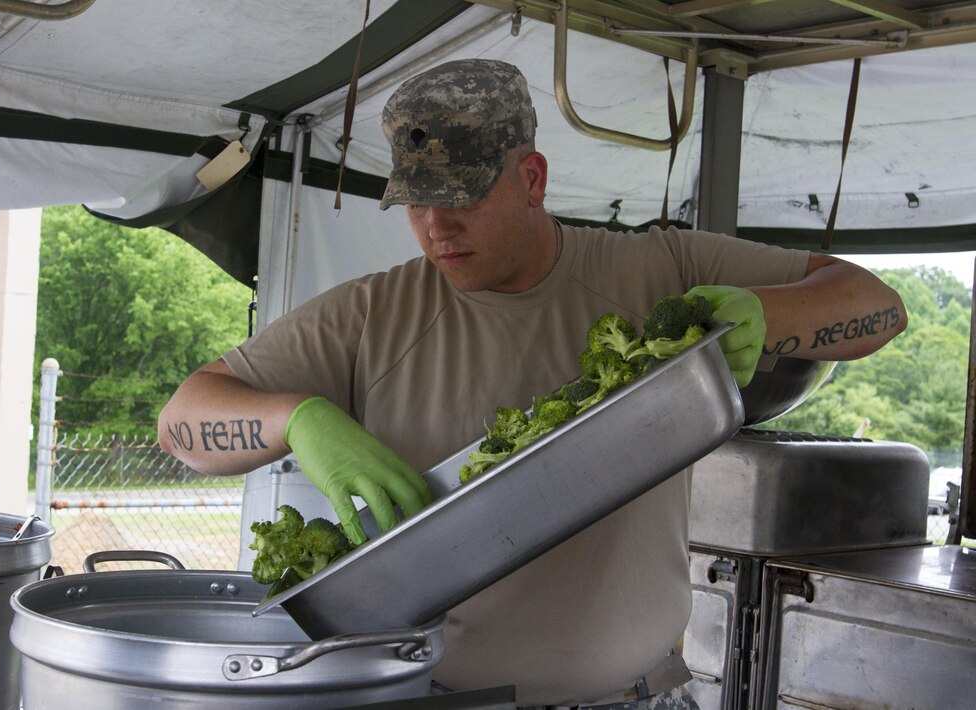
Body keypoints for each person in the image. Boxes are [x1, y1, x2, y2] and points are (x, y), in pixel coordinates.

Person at [158, 58, 906, 708]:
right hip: (431, 698)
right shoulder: (373, 312)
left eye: (459, 199)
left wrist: (764, 316)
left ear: (532, 178)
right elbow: (181, 423)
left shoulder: (658, 269)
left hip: (635, 698)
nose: (435, 229)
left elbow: (877, 305)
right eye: (416, 204)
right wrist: (298, 420)